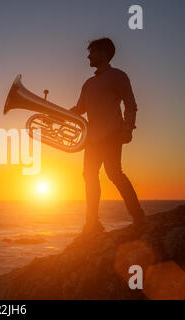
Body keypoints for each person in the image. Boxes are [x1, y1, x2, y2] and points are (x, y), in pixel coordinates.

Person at [70, 38, 145, 239]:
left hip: (111, 134)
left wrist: (128, 128)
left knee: (114, 174)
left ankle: (139, 218)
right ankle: (92, 223)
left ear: (103, 52)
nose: (88, 56)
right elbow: (80, 109)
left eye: (92, 52)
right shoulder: (89, 83)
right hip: (92, 138)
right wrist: (55, 113)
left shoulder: (117, 76)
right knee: (89, 177)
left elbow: (130, 104)